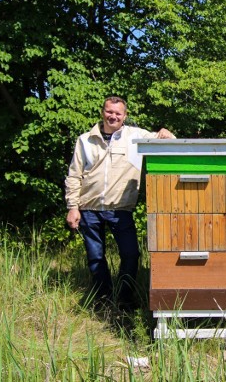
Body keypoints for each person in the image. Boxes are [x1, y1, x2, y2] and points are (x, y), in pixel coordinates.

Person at [65, 96, 174, 310]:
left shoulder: (136, 136)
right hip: (89, 208)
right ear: (102, 112)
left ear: (125, 116)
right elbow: (74, 175)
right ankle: (103, 298)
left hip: (120, 209)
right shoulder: (85, 140)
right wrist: (72, 207)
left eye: (118, 113)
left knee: (131, 254)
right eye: (109, 111)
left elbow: (165, 140)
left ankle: (125, 297)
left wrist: (166, 133)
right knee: (96, 257)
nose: (113, 116)